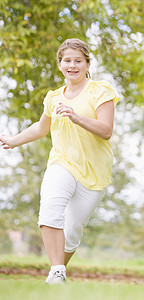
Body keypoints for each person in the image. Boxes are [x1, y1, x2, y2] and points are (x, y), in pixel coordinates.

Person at [0, 38, 120, 284]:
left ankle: (57, 271)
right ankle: (57, 271)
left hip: (94, 172)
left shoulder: (101, 90)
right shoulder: (53, 97)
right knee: (50, 209)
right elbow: (41, 128)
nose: (72, 65)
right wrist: (14, 140)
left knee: (73, 229)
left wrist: (76, 117)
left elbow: (106, 130)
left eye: (78, 61)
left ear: (88, 64)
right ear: (60, 64)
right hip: (62, 162)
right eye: (67, 61)